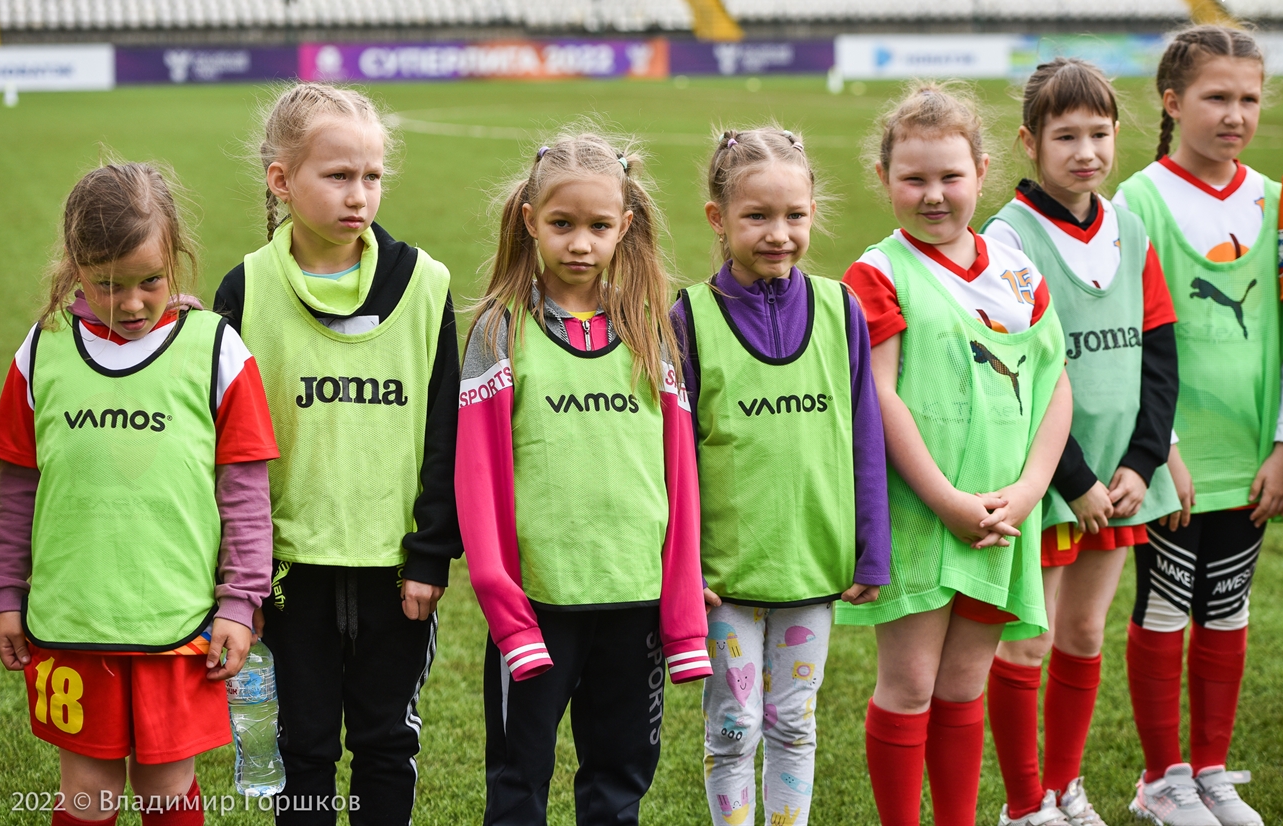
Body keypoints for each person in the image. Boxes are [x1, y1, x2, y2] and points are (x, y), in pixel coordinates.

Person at [0, 162, 278, 825]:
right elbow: (16, 491)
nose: (132, 303)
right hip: (74, 622)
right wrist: (6, 593)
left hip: (175, 624)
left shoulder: (216, 351)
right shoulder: (44, 349)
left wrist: (239, 602)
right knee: (86, 798)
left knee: (165, 792)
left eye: (150, 280)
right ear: (75, 268)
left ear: (176, 254)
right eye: (107, 284)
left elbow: (244, 495)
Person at [213, 83, 461, 824]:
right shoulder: (247, 288)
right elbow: (222, 447)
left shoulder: (425, 284)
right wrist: (239, 580)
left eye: (372, 176)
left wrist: (429, 554)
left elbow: (446, 428)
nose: (360, 195)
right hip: (291, 570)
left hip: (394, 570)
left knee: (389, 744)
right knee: (305, 747)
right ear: (281, 179)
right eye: (338, 175)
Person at [456, 129, 710, 826]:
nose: (579, 243)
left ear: (624, 229)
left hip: (636, 606)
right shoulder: (501, 330)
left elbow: (680, 482)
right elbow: (477, 484)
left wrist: (682, 614)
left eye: (599, 227)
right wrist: (507, 611)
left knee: (618, 783)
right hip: (538, 607)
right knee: (518, 780)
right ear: (530, 220)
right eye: (562, 224)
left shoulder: (652, 331)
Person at [841, 83, 1073, 826]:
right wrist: (946, 500)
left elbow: (1054, 385)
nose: (933, 195)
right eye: (913, 179)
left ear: (982, 171)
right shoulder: (877, 273)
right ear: (884, 180)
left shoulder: (1016, 271)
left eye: (950, 176)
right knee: (909, 685)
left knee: (965, 685)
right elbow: (880, 397)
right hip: (922, 513)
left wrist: (1033, 488)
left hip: (1005, 515)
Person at [669, 126, 890, 826]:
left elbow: (865, 434)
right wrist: (683, 565)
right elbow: (670, 457)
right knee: (733, 728)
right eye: (756, 216)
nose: (778, 233)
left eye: (794, 215)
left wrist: (870, 547)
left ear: (814, 210)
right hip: (724, 577)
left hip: (810, 566)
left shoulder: (839, 308)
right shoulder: (689, 318)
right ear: (718, 218)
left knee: (795, 723)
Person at [980, 58, 1181, 826]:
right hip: (1052, 479)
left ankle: (1066, 789)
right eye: (1066, 135)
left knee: (1085, 634)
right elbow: (1015, 375)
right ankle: (1024, 804)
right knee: (1027, 644)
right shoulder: (1007, 236)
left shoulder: (1129, 226)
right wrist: (1073, 478)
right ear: (1031, 142)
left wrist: (1143, 459)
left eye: (1099, 133)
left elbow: (1160, 351)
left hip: (1121, 477)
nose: (1086, 151)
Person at [1113, 25, 1283, 826]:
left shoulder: (1273, 200)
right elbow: (1138, 337)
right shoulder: (1141, 199)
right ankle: (1160, 778)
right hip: (1173, 458)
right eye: (1217, 97)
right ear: (1174, 102)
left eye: (1249, 98)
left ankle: (1210, 769)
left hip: (1252, 454)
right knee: (1163, 606)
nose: (1235, 114)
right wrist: (1163, 451)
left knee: (1229, 605)